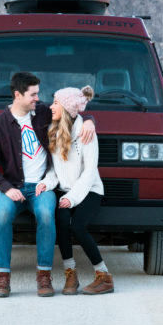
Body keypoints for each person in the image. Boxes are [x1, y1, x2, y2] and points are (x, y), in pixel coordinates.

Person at [0, 71, 96, 298]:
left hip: (42, 186)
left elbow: (73, 110)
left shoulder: (42, 113)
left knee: (46, 213)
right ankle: (2, 278)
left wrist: (91, 121)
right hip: (12, 186)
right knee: (3, 214)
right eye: (33, 94)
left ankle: (44, 275)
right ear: (18, 95)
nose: (38, 98)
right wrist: (7, 188)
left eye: (38, 94)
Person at [36, 85, 113, 295]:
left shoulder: (85, 132)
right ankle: (71, 274)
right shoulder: (55, 131)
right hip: (67, 191)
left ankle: (104, 276)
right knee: (61, 221)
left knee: (78, 226)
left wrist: (72, 197)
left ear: (66, 107)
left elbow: (89, 172)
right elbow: (55, 170)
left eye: (55, 103)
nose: (51, 106)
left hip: (89, 191)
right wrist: (46, 183)